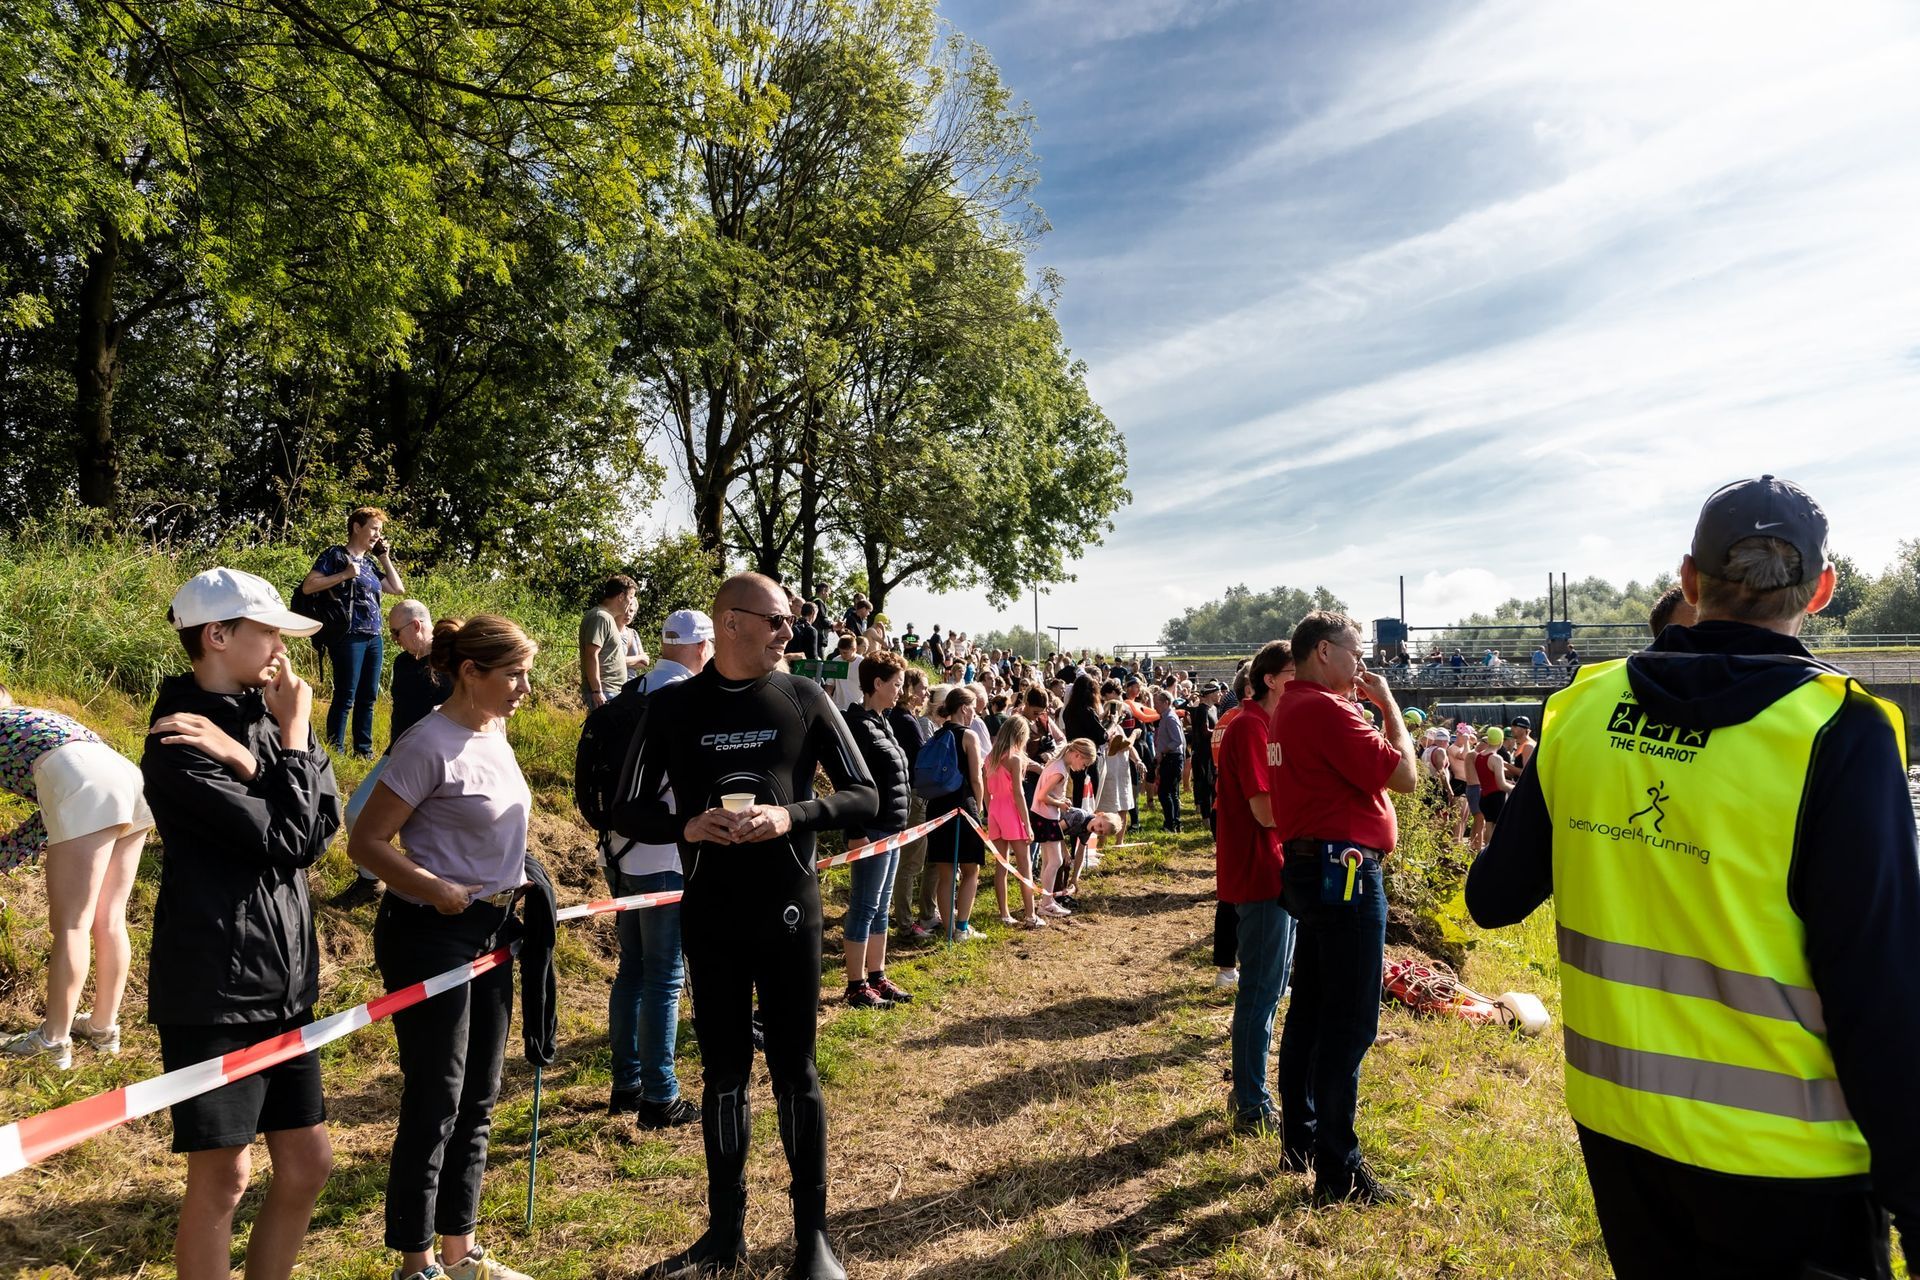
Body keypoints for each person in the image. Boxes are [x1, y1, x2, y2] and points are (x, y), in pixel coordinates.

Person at [1470, 476, 1920, 1278]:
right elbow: (1880, 990)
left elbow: (1493, 899)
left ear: (1688, 579)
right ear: (1822, 590)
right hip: (1792, 1167)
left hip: (1624, 1134)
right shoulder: (1840, 731)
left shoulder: (1580, 710)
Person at [618, 573, 877, 1280]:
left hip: (790, 911)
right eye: (777, 620)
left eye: (790, 620)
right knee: (725, 1074)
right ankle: (723, 1234)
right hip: (712, 915)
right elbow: (622, 805)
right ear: (730, 623)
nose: (789, 631)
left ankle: (812, 1239)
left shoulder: (803, 696)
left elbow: (868, 793)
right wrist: (686, 825)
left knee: (795, 1071)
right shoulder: (672, 706)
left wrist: (792, 815)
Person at [141, 568, 341, 1280]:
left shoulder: (270, 716)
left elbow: (324, 823)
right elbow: (291, 837)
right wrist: (286, 747)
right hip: (215, 989)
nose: (283, 648)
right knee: (224, 1176)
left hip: (284, 982)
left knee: (308, 1163)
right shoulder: (176, 737)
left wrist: (260, 754)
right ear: (218, 636)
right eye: (269, 632)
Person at [347, 616, 538, 1280]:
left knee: (480, 1096)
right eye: (513, 674)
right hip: (430, 935)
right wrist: (435, 888)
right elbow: (366, 842)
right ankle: (416, 1262)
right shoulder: (428, 742)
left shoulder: (495, 731)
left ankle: (461, 1252)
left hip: (493, 929)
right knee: (437, 1098)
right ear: (470, 672)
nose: (525, 687)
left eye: (526, 673)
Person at [1271, 611, 1418, 1204]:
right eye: (1355, 653)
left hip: (1313, 867)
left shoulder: (1291, 707)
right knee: (1351, 1020)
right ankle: (1339, 1168)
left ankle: (1302, 1139)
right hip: (1346, 871)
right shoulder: (1327, 710)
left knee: (1311, 1006)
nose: (1362, 665)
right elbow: (1404, 776)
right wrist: (1389, 707)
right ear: (1324, 651)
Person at [0, 686, 155, 1067]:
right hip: (130, 780)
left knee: (71, 924)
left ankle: (53, 1040)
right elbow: (52, 813)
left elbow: (68, 799)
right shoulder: (39, 722)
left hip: (83, 782)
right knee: (110, 918)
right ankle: (103, 1028)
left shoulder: (7, 729)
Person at [603, 609, 714, 1126]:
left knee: (632, 969)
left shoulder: (631, 690)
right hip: (667, 852)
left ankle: (625, 1084)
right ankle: (659, 1095)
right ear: (702, 647)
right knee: (665, 977)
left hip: (618, 847)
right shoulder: (689, 701)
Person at [1216, 640, 1295, 1132]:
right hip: (1260, 871)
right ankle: (1250, 1101)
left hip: (1275, 868)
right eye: (1293, 674)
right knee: (1261, 991)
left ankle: (1251, 1092)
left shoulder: (1269, 725)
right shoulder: (1250, 726)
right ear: (1270, 679)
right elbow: (1264, 810)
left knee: (1272, 986)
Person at [332, 598, 452, 909]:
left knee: (431, 832)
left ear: (416, 625)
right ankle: (370, 880)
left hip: (443, 761)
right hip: (399, 753)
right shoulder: (402, 663)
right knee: (356, 812)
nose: (394, 639)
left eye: (396, 632)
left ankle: (428, 895)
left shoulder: (453, 664)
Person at [840, 653, 915, 1007]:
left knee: (881, 907)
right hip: (871, 830)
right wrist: (855, 830)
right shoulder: (857, 725)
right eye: (896, 684)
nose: (901, 691)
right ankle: (855, 985)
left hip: (892, 828)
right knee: (864, 906)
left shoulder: (883, 721)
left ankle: (877, 976)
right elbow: (849, 782)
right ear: (877, 683)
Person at [300, 506, 405, 757]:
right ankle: (335, 749)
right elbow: (308, 586)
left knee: (368, 696)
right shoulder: (335, 555)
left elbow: (397, 588)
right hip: (348, 634)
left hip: (373, 635)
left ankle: (363, 750)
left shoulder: (368, 563)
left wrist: (384, 557)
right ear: (357, 527)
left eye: (380, 530)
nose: (378, 535)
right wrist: (345, 574)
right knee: (346, 694)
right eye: (374, 529)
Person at [922, 686, 990, 941]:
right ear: (963, 708)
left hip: (937, 808)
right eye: (972, 708)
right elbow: (976, 778)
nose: (974, 713)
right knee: (971, 870)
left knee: (946, 873)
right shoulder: (969, 736)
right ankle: (962, 928)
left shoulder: (937, 734)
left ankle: (950, 929)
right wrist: (979, 806)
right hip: (962, 805)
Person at [887, 670, 935, 940]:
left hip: (909, 793)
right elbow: (921, 760)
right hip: (914, 796)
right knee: (910, 863)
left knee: (908, 862)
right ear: (909, 688)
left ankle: (905, 919)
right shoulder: (905, 720)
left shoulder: (904, 717)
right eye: (922, 688)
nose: (926, 693)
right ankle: (905, 924)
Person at [983, 715, 1042, 928]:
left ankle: (1004, 914)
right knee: (1024, 865)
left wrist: (989, 811)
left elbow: (985, 791)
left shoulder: (989, 757)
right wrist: (1027, 823)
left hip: (995, 810)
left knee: (1002, 866)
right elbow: (1018, 794)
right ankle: (1030, 914)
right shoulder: (1015, 759)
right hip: (1011, 810)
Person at [1032, 738, 1098, 914]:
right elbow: (1042, 796)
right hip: (1046, 817)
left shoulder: (1058, 765)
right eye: (1084, 764)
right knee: (1056, 861)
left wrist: (1061, 800)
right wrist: (1059, 803)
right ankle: (1046, 903)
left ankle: (1047, 901)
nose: (1083, 768)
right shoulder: (1060, 770)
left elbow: (1048, 794)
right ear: (1078, 755)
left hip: (1043, 815)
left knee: (1049, 861)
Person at [579, 575, 637, 709]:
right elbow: (591, 654)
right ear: (621, 596)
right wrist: (597, 691)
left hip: (610, 691)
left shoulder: (607, 617)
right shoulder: (601, 617)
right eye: (631, 597)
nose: (631, 602)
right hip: (605, 692)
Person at [1186, 681, 1221, 834]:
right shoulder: (1202, 709)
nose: (1220, 695)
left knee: (1213, 783)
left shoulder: (1214, 708)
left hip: (1212, 751)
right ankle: (1206, 817)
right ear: (1210, 694)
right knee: (1206, 784)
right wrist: (1221, 731)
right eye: (1218, 692)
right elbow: (1204, 731)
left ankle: (1214, 814)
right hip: (1202, 753)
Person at [1151, 690, 1187, 832]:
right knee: (1171, 793)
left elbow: (1177, 741)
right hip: (1171, 758)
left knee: (1165, 793)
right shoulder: (1167, 717)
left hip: (1172, 759)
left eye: (1157, 703)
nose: (1155, 706)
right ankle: (1174, 823)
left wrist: (1163, 751)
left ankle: (1170, 824)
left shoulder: (1170, 718)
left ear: (1166, 702)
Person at [1473, 726, 1512, 845]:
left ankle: (1487, 851)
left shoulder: (1479, 756)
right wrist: (1516, 789)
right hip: (1496, 797)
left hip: (1484, 797)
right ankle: (1495, 852)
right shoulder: (1496, 758)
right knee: (1498, 829)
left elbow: (1488, 778)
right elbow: (1501, 785)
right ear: (1501, 741)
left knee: (1489, 824)